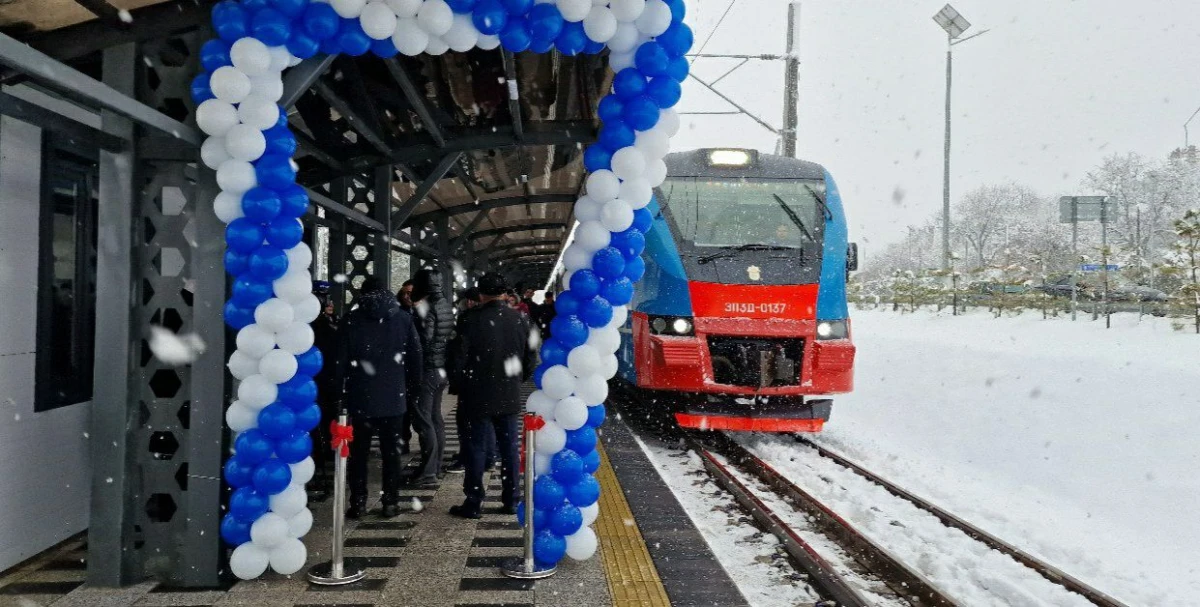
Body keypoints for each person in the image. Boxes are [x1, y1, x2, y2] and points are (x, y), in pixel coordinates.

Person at [450, 273, 538, 519]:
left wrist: (461, 384)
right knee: (509, 449)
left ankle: (474, 502)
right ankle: (511, 501)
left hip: (475, 395)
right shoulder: (522, 319)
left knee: (476, 449)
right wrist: (513, 380)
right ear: (506, 293)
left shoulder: (469, 319)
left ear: (480, 294)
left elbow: (458, 358)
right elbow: (531, 360)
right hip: (508, 395)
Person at [339, 277, 423, 518]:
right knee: (392, 453)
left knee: (359, 455)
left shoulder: (351, 320)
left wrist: (339, 395)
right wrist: (410, 391)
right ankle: (390, 502)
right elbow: (415, 360)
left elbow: (340, 362)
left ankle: (359, 502)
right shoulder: (403, 318)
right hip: (393, 399)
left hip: (361, 397)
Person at [405, 269, 454, 488]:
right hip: (441, 367)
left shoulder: (426, 308)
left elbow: (423, 341)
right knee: (435, 418)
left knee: (424, 420)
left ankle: (428, 473)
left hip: (428, 369)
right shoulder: (444, 304)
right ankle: (434, 466)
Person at [445, 288, 497, 475]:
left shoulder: (468, 320)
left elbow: (460, 352)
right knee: (487, 420)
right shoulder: (502, 318)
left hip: (471, 379)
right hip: (493, 378)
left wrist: (457, 379)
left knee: (467, 422)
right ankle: (489, 458)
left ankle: (468, 459)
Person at [309, 281, 339, 501]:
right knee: (323, 420)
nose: (328, 303)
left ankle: (321, 455)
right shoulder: (323, 327)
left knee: (322, 420)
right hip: (323, 382)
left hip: (319, 382)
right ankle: (322, 456)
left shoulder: (322, 325)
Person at [396, 278, 416, 453]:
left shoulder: (423, 314)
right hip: (402, 367)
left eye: (411, 293)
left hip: (414, 367)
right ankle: (402, 440)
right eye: (405, 293)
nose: (408, 296)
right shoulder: (397, 314)